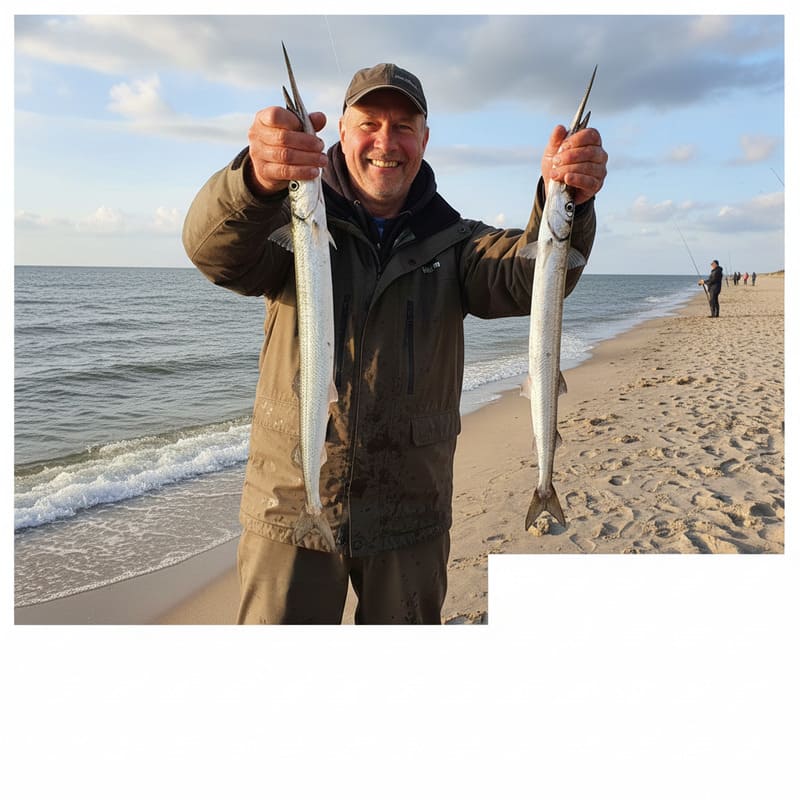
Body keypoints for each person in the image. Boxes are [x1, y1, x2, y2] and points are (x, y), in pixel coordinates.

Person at [182, 61, 608, 624]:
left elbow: (531, 276)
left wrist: (568, 200)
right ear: (340, 131)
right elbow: (211, 251)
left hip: (411, 514)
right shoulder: (289, 231)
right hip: (288, 506)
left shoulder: (456, 243)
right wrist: (255, 181)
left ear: (425, 140)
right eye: (369, 124)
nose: (386, 142)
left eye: (404, 127)